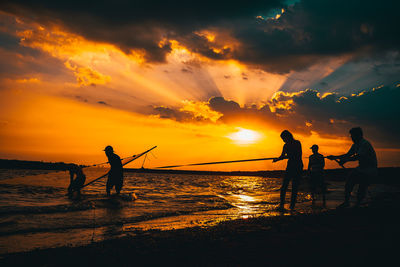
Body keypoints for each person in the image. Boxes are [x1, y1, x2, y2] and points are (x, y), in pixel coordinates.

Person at [327, 127, 377, 208]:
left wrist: (345, 160)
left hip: (370, 170)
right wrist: (335, 157)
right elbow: (348, 155)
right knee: (349, 182)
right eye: (351, 136)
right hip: (361, 168)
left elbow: (358, 157)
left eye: (352, 136)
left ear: (358, 135)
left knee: (362, 186)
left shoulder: (365, 144)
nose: (351, 138)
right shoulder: (355, 145)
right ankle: (347, 202)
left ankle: (356, 204)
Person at [273, 130, 303, 211]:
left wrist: (287, 156)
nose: (283, 140)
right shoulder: (285, 146)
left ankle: (292, 206)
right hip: (290, 166)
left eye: (283, 138)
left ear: (288, 136)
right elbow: (282, 156)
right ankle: (281, 205)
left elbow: (298, 154)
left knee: (294, 187)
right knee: (284, 187)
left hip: (297, 166)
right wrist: (277, 159)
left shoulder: (297, 143)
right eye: (282, 139)